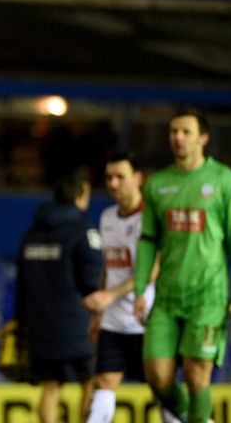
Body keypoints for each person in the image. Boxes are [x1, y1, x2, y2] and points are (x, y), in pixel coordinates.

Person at [133, 109, 231, 423]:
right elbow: (149, 240)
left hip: (207, 297)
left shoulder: (224, 180)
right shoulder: (157, 183)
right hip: (165, 298)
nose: (178, 137)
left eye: (186, 132)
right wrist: (140, 290)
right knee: (157, 378)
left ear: (203, 138)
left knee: (196, 375)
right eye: (173, 131)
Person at [13, 167, 102, 423]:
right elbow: (91, 281)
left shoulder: (30, 235)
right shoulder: (83, 231)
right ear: (81, 195)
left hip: (41, 328)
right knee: (90, 384)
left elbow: (21, 284)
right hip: (78, 327)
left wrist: (21, 323)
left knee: (51, 387)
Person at [82, 151, 158, 422]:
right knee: (104, 382)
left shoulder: (150, 218)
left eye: (120, 177)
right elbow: (107, 267)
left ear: (138, 178)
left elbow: (150, 270)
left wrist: (110, 295)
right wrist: (98, 314)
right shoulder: (107, 217)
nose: (113, 183)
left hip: (145, 319)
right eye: (109, 177)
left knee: (162, 387)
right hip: (113, 322)